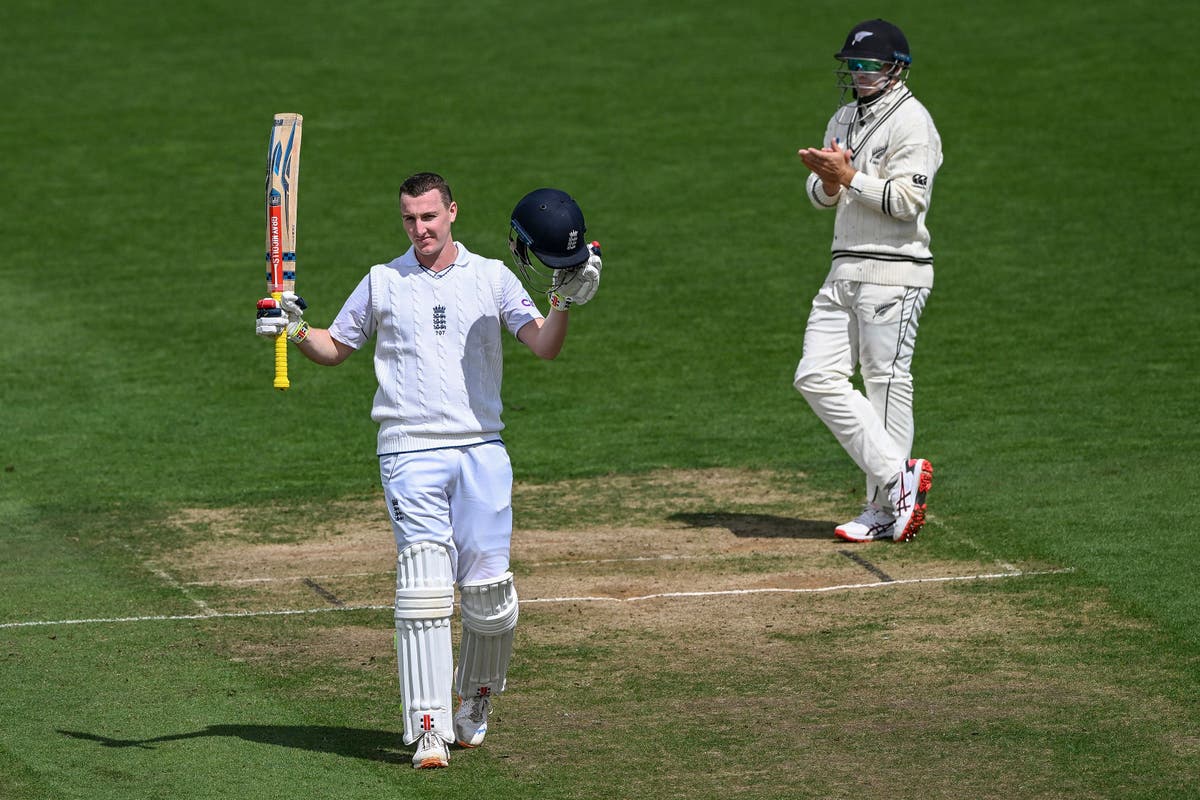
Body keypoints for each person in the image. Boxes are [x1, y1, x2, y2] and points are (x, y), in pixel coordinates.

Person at [255, 173, 602, 768]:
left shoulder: (492, 276)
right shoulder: (382, 280)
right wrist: (290, 326)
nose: (420, 229)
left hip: (482, 450)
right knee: (423, 588)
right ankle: (427, 727)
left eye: (429, 218)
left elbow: (544, 345)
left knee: (490, 594)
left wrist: (563, 299)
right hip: (409, 451)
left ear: (452, 213)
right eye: (410, 220)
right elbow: (335, 346)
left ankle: (476, 702)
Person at [793, 19, 942, 543]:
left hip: (894, 272)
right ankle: (896, 479)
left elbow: (908, 203)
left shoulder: (913, 124)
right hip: (843, 268)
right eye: (851, 66)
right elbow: (818, 194)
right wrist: (832, 181)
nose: (857, 75)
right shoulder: (843, 116)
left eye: (868, 66)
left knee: (884, 384)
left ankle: (882, 508)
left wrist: (849, 177)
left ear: (896, 68)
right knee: (815, 375)